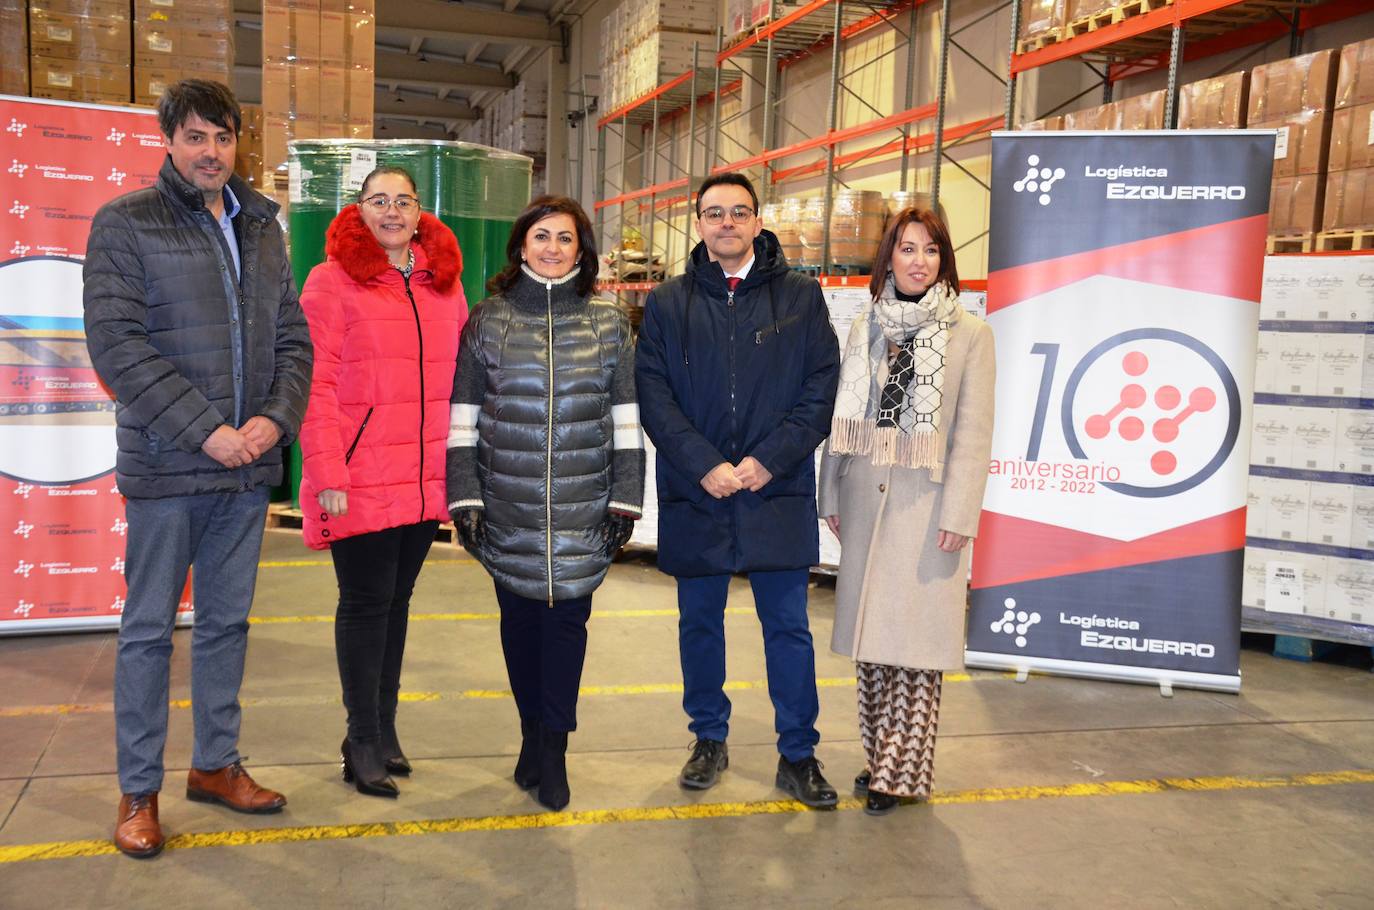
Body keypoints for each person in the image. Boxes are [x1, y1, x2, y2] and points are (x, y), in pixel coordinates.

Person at [83, 79, 313, 858]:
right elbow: (118, 345)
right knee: (148, 631)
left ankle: (215, 764)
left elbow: (293, 341)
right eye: (194, 137)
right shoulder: (125, 224)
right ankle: (138, 789)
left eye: (223, 137)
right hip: (167, 466)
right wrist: (207, 430)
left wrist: (271, 422)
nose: (211, 151)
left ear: (236, 143)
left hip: (246, 470)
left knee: (226, 625)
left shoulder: (264, 228)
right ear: (169, 143)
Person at [635, 173, 841, 808]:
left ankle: (798, 753)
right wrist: (703, 464)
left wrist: (766, 462)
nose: (726, 222)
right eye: (714, 213)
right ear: (697, 223)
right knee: (699, 623)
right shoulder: (669, 303)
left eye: (739, 212)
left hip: (772, 491)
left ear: (758, 221)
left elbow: (820, 389)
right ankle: (708, 738)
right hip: (697, 491)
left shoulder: (801, 298)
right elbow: (654, 393)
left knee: (787, 627)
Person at [446, 195, 644, 812]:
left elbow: (627, 420)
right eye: (541, 236)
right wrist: (464, 494)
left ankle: (554, 750)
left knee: (567, 630)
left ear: (581, 250)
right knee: (519, 628)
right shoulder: (488, 321)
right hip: (508, 505)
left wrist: (627, 500)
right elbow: (463, 419)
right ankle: (532, 735)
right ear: (521, 246)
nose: (553, 248)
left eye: (565, 238)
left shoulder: (609, 323)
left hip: (585, 509)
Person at [818, 207, 995, 815]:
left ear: (945, 260)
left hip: (928, 509)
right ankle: (878, 759)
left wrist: (960, 515)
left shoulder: (971, 334)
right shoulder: (867, 325)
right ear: (888, 257)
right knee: (873, 645)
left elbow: (974, 434)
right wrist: (831, 492)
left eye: (931, 251)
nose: (918, 261)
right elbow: (845, 420)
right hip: (867, 500)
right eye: (907, 249)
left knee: (917, 651)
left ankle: (900, 771)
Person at [297, 166, 467, 798]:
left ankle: (385, 729)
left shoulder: (443, 286)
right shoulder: (330, 281)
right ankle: (360, 739)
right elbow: (313, 384)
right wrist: (327, 471)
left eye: (404, 201)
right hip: (360, 474)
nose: (392, 211)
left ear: (420, 211)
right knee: (366, 605)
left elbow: (462, 384)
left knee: (396, 605)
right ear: (358, 210)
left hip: (423, 475)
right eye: (378, 201)